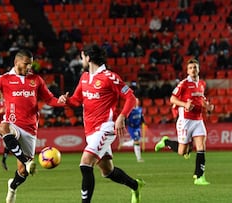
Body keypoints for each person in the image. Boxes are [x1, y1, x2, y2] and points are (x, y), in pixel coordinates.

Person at [0, 49, 65, 203]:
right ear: (16, 62)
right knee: (2, 128)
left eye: (31, 65)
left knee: (22, 173)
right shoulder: (5, 79)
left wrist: (60, 101)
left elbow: (49, 99)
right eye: (26, 64)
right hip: (12, 122)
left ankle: (12, 187)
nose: (29, 68)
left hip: (31, 128)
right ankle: (26, 162)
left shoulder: (36, 79)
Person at [58, 44, 144, 203]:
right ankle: (135, 185)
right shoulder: (84, 77)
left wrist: (122, 116)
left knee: (85, 163)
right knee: (107, 171)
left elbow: (130, 98)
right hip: (90, 131)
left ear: (88, 58)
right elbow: (77, 100)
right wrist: (66, 101)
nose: (81, 59)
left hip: (106, 127)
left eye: (82, 56)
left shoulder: (109, 77)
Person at [154, 58, 214, 186]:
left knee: (201, 147)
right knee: (183, 151)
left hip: (198, 120)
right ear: (187, 71)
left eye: (195, 67)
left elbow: (201, 98)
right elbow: (172, 99)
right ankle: (166, 141)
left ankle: (199, 177)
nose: (193, 70)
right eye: (191, 68)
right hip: (185, 120)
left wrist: (207, 107)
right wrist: (184, 104)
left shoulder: (201, 84)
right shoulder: (184, 84)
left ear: (199, 69)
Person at [124, 98, 145, 162]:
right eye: (135, 101)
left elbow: (141, 117)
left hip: (138, 127)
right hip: (132, 127)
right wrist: (128, 124)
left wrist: (143, 122)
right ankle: (139, 158)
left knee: (137, 141)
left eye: (137, 101)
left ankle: (124, 144)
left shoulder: (140, 109)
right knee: (136, 141)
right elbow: (126, 118)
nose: (136, 102)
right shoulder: (129, 110)